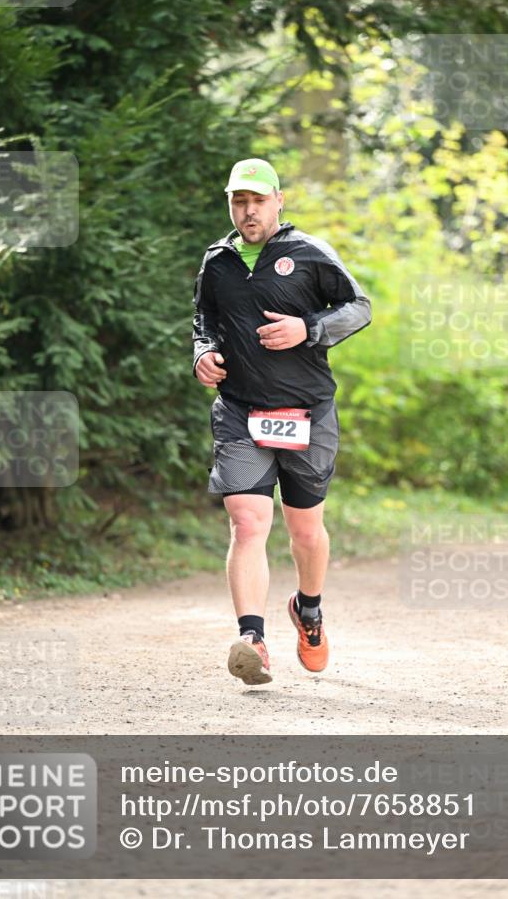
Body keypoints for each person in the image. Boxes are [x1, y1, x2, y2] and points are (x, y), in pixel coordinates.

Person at [192, 158, 371, 685]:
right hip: (240, 410)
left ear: (278, 201)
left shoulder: (308, 254)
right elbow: (204, 317)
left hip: (306, 412)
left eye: (257, 201)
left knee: (305, 531)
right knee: (247, 522)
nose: (248, 211)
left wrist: (308, 329)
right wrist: (202, 352)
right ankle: (253, 640)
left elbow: (358, 306)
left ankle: (308, 610)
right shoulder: (218, 259)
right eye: (238, 202)